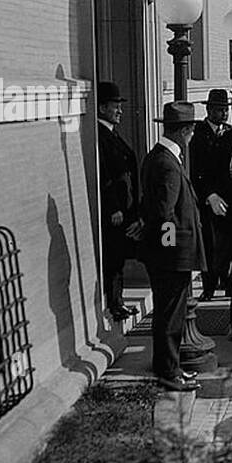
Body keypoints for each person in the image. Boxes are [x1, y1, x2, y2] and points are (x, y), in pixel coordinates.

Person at [139, 102, 207, 392]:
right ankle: (169, 372)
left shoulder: (159, 157)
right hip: (171, 258)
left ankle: (169, 366)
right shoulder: (168, 163)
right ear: (185, 131)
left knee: (167, 314)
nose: (191, 138)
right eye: (191, 132)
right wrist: (171, 251)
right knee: (171, 316)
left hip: (166, 256)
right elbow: (164, 213)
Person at [96, 81, 140, 321]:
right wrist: (113, 207)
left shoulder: (112, 133)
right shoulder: (100, 136)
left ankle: (119, 300)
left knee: (120, 256)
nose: (120, 110)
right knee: (114, 257)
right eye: (115, 106)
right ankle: (114, 303)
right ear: (102, 108)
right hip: (116, 212)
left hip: (126, 207)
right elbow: (104, 173)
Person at [191, 88, 232, 300]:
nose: (223, 114)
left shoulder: (229, 133)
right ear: (209, 110)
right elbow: (195, 171)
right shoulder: (197, 135)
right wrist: (209, 195)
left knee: (227, 244)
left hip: (228, 199)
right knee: (209, 244)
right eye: (219, 110)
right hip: (207, 199)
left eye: (225, 110)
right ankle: (208, 287)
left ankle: (228, 283)